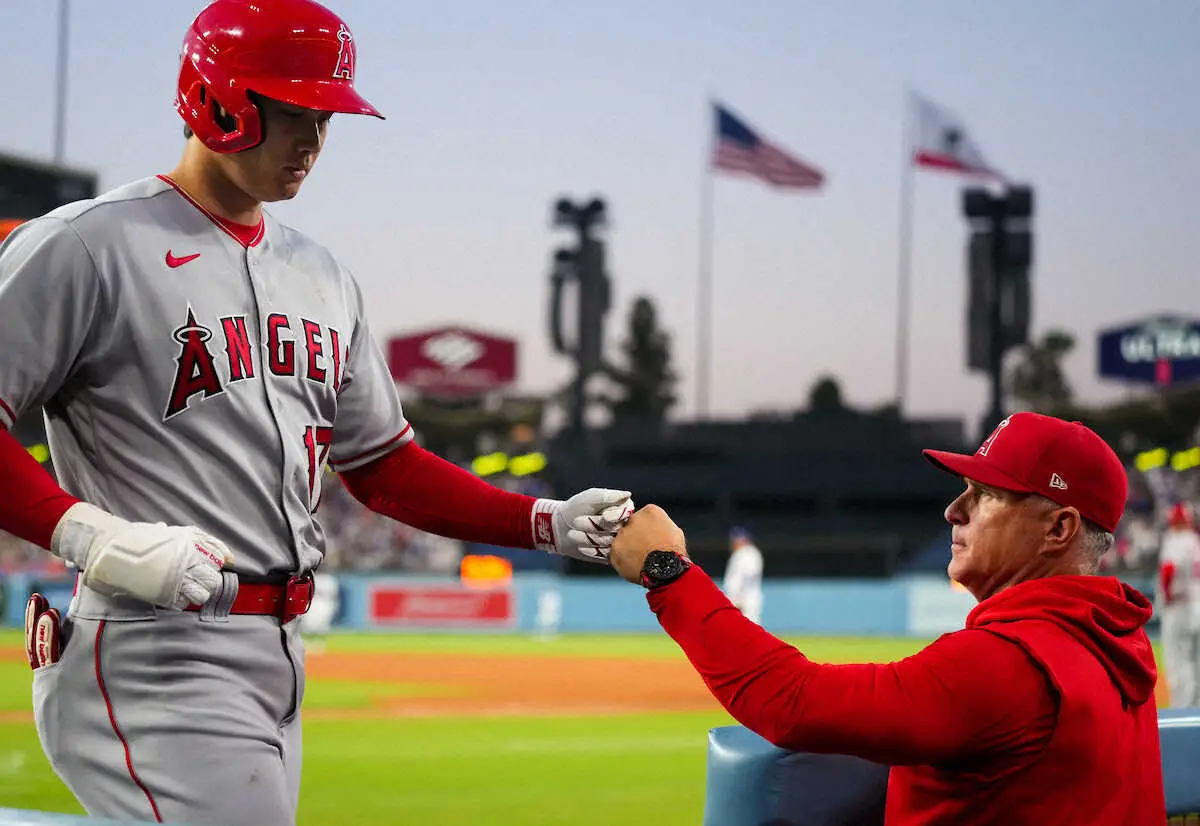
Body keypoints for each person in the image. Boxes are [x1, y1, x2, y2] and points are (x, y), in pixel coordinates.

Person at [0, 2, 633, 824]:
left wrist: (541, 520)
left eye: (326, 117)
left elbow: (384, 465)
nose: (313, 142)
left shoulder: (323, 276)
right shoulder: (86, 245)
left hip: (280, 650)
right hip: (155, 643)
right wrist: (93, 536)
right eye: (293, 112)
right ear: (217, 98)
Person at [610, 412, 1166, 825]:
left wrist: (668, 573)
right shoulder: (1117, 641)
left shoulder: (1007, 663)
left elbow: (793, 702)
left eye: (987, 495)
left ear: (1059, 529)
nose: (954, 509)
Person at [1157, 500, 1200, 707]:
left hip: (1179, 608)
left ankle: (1182, 711)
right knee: (1196, 664)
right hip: (1196, 604)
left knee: (1178, 663)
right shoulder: (1194, 540)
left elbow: (1168, 570)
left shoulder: (1175, 540)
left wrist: (1166, 598)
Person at [723, 525, 763, 624]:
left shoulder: (744, 554)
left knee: (748, 631)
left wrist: (738, 599)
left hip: (744, 600)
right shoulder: (751, 553)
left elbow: (746, 578)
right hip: (746, 599)